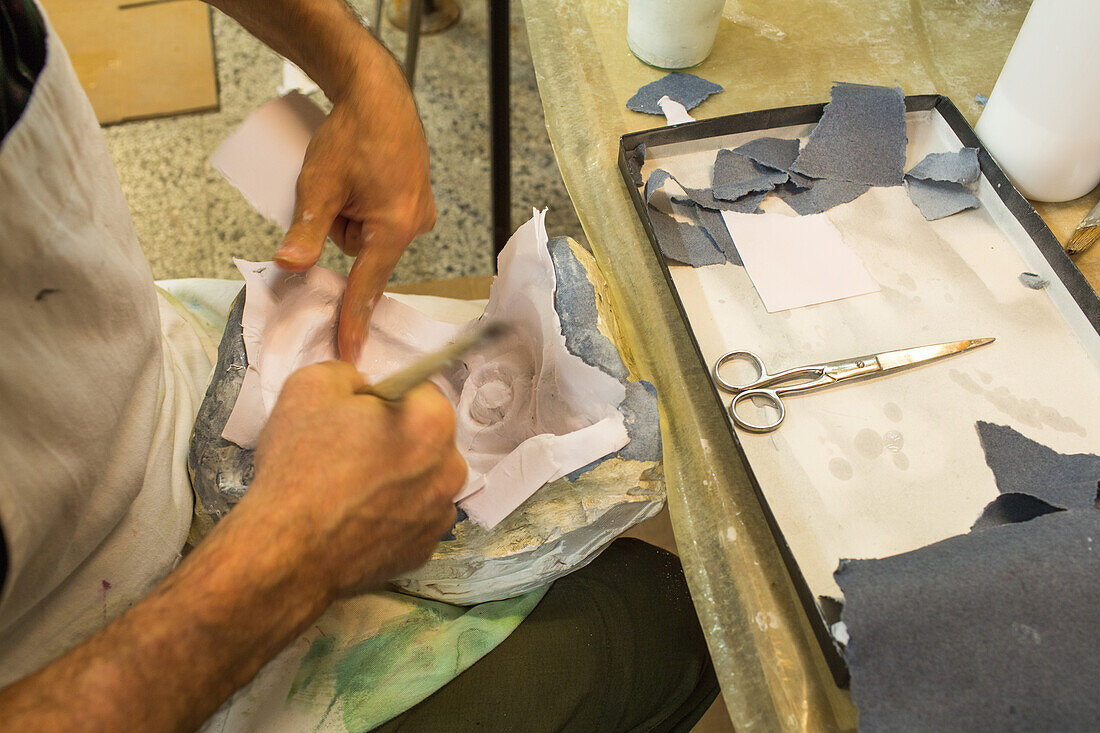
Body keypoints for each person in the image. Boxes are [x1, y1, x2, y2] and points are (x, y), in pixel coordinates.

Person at [0, 1, 719, 730]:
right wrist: (292, 553)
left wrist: (355, 65)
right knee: (665, 619)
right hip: (93, 657)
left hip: (147, 373)